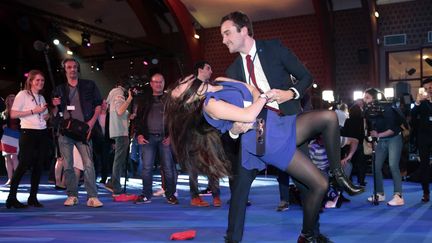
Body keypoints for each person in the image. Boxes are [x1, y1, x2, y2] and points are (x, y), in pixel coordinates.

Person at [217, 11, 362, 242]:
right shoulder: (233, 72)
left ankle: (311, 235)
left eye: (227, 33)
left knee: (308, 185)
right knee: (239, 190)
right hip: (255, 131)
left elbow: (305, 77)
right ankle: (232, 239)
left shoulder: (274, 49)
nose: (223, 40)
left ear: (243, 30)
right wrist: (235, 128)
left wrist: (290, 93)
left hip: (290, 126)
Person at [167, 73, 363, 243]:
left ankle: (339, 176)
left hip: (275, 122)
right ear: (189, 98)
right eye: (180, 88)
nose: (181, 82)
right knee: (320, 184)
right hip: (264, 139)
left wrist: (258, 98)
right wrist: (263, 97)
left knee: (329, 117)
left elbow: (251, 89)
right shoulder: (210, 104)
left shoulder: (220, 80)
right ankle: (308, 236)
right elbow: (249, 114)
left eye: (178, 83)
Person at [52, 58, 103, 208]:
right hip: (65, 131)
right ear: (65, 70)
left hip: (83, 132)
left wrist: (90, 125)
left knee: (88, 164)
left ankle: (92, 197)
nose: (72, 69)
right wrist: (54, 106)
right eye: (69, 67)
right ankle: (72, 195)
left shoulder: (89, 85)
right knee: (68, 165)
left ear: (78, 69)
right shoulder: (59, 89)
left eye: (75, 67)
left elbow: (98, 106)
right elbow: (55, 114)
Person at [6, 70, 49, 208]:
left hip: (42, 133)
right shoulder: (23, 94)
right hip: (28, 133)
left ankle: (33, 197)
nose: (40, 82)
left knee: (38, 166)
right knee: (23, 165)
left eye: (42, 80)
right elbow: (13, 114)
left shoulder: (41, 98)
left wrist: (49, 113)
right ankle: (11, 198)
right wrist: (33, 111)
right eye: (37, 80)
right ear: (30, 81)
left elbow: (45, 116)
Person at [134, 73, 178, 205]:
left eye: (161, 82)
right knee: (146, 168)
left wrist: (170, 136)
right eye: (155, 82)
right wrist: (139, 135)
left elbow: (175, 120)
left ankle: (170, 195)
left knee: (168, 168)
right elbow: (138, 119)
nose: (158, 84)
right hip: (148, 138)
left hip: (165, 138)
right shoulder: (144, 99)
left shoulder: (170, 99)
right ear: (151, 84)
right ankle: (146, 195)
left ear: (164, 83)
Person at [188, 60, 222, 207]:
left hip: (210, 129)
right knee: (193, 165)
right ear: (200, 70)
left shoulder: (212, 87)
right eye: (208, 68)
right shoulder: (190, 87)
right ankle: (195, 196)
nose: (211, 71)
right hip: (194, 130)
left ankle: (215, 195)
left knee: (213, 162)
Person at [363, 88, 404, 206]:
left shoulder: (388, 108)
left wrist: (378, 135)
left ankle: (398, 196)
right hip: (381, 140)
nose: (364, 100)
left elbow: (392, 130)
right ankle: (379, 194)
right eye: (364, 97)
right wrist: (372, 138)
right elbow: (371, 127)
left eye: (367, 97)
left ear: (375, 98)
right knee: (376, 166)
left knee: (393, 165)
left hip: (394, 138)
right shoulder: (368, 110)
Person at [105, 81, 133, 196]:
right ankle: (115, 185)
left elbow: (118, 111)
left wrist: (129, 115)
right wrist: (130, 98)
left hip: (118, 130)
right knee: (118, 160)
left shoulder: (113, 93)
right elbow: (120, 110)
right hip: (120, 131)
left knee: (118, 159)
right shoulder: (119, 92)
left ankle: (113, 182)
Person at [411, 77, 432, 202]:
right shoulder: (420, 102)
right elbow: (412, 116)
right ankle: (426, 192)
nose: (429, 90)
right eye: (426, 88)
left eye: (430, 88)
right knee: (424, 165)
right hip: (423, 137)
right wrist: (417, 102)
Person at [1, 94, 20, 186]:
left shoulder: (19, 111)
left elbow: (21, 124)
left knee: (14, 157)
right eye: (11, 100)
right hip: (5, 136)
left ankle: (16, 179)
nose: (13, 101)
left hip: (16, 135)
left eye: (14, 99)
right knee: (7, 158)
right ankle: (10, 179)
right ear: (7, 101)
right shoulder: (4, 113)